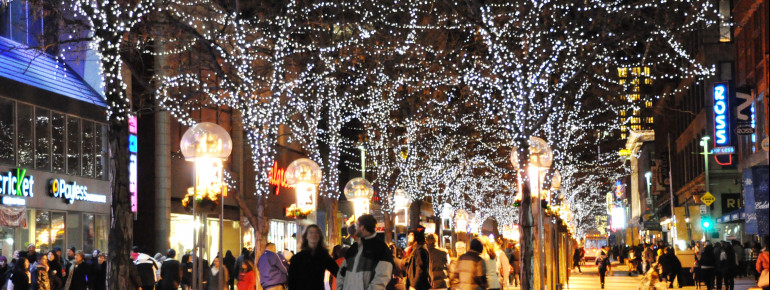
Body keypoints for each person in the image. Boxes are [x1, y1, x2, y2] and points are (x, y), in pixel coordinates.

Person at [337, 215, 394, 290]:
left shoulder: (381, 248)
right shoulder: (354, 248)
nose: (355, 228)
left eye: (357, 225)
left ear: (362, 227)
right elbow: (342, 271)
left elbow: (381, 278)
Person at [288, 224, 340, 289]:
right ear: (306, 236)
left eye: (316, 233)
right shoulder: (297, 258)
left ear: (319, 236)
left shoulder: (323, 256)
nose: (314, 235)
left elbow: (337, 272)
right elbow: (291, 281)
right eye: (311, 232)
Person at [405, 225, 431, 290]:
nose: (408, 236)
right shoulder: (416, 249)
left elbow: (420, 270)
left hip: (417, 287)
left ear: (416, 236)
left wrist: (414, 286)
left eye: (411, 234)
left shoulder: (420, 250)